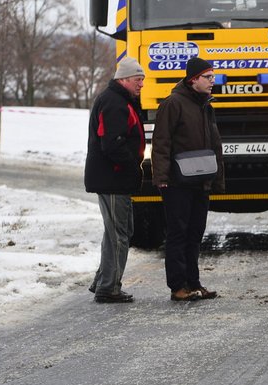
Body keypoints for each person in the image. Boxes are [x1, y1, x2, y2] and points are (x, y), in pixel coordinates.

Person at [151, 57, 225, 302]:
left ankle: (194, 283)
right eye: (208, 77)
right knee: (178, 234)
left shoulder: (205, 105)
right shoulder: (173, 104)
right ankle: (178, 287)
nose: (213, 81)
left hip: (200, 181)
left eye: (213, 76)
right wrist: (161, 177)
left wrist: (216, 178)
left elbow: (214, 145)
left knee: (195, 234)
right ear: (194, 80)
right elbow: (161, 143)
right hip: (177, 183)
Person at [84, 56, 146, 304]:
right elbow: (111, 143)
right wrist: (132, 166)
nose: (141, 84)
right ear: (124, 80)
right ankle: (109, 287)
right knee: (119, 234)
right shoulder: (114, 102)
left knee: (118, 232)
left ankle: (103, 281)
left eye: (142, 80)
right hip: (113, 178)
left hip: (114, 178)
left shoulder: (120, 100)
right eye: (137, 80)